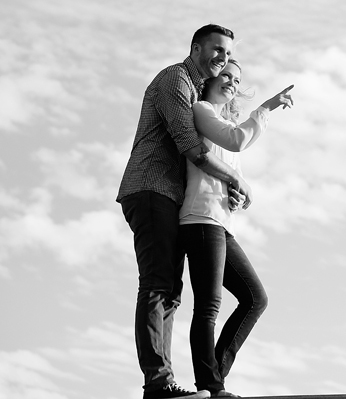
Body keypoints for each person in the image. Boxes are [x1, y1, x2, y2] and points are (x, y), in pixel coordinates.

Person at [117, 25, 253, 399]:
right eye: (217, 50)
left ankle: (164, 381)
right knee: (159, 284)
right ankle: (158, 382)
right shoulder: (175, 79)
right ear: (196, 48)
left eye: (228, 54)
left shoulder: (197, 91)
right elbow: (192, 149)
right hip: (150, 189)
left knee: (171, 291)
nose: (222, 59)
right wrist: (236, 181)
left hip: (171, 197)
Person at [180, 59, 293, 398]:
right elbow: (237, 140)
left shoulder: (221, 120)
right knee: (208, 306)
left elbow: (223, 166)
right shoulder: (201, 111)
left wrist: (235, 193)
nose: (230, 81)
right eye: (226, 75)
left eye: (236, 79)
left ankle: (214, 381)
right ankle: (210, 386)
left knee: (255, 298)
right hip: (200, 220)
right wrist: (267, 107)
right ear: (211, 79)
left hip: (220, 223)